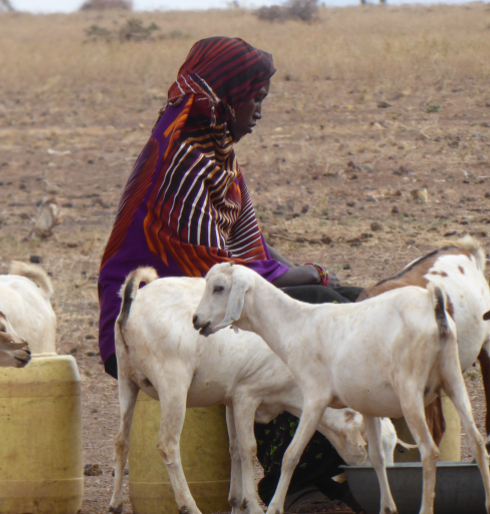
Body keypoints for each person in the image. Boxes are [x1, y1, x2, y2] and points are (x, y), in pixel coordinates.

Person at [97, 36, 361, 514]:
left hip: (202, 314)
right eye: (253, 99)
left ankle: (337, 471)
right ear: (223, 99)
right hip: (154, 331)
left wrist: (318, 279)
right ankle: (299, 483)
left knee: (347, 300)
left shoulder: (216, 155)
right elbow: (215, 275)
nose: (259, 111)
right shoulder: (179, 160)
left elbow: (251, 249)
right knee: (314, 315)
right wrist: (307, 286)